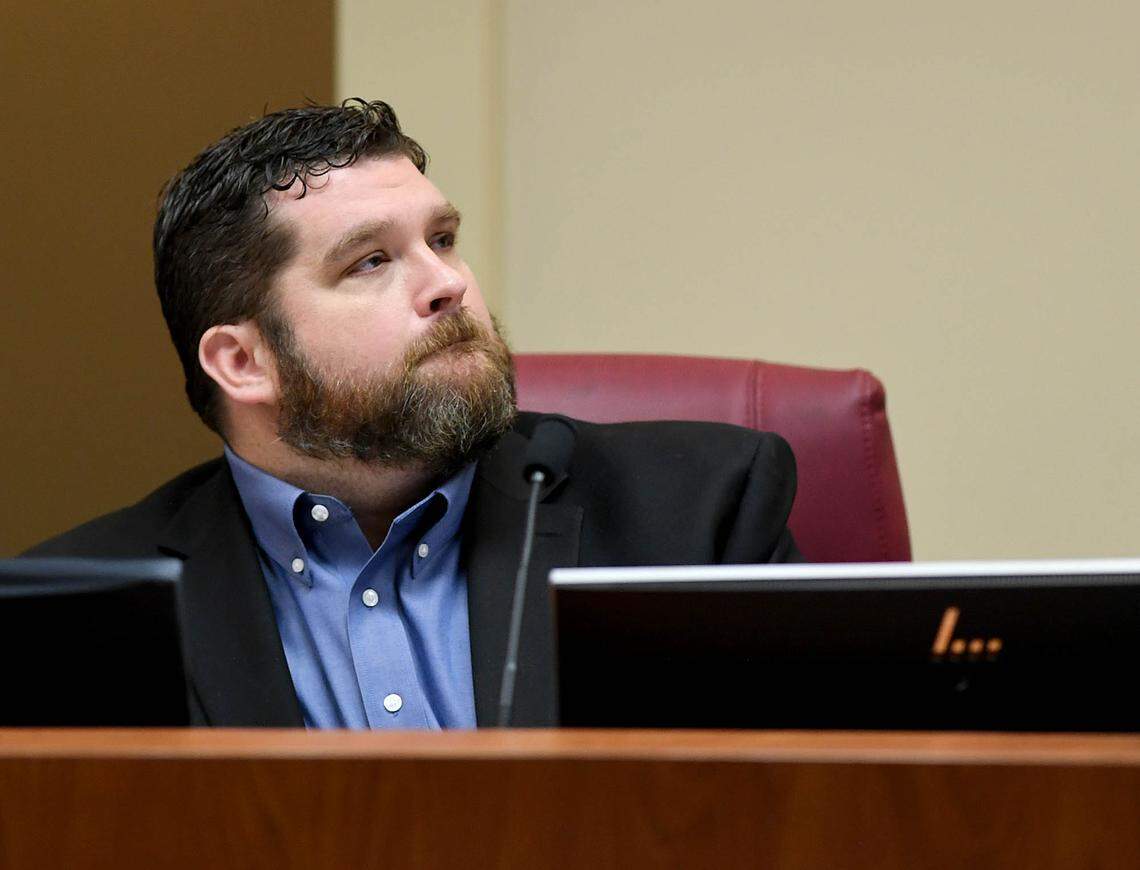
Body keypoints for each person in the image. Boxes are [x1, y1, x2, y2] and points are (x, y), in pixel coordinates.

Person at [27, 99, 802, 727]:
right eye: (371, 260)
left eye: (444, 239)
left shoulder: (702, 515)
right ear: (244, 361)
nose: (448, 284)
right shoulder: (69, 614)